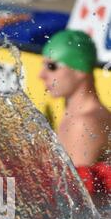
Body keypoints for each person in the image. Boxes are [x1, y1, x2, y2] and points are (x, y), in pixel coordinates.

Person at [40, 29, 111, 168]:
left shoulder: (84, 124)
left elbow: (75, 188)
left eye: (51, 66)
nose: (41, 75)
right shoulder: (74, 115)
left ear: (79, 69)